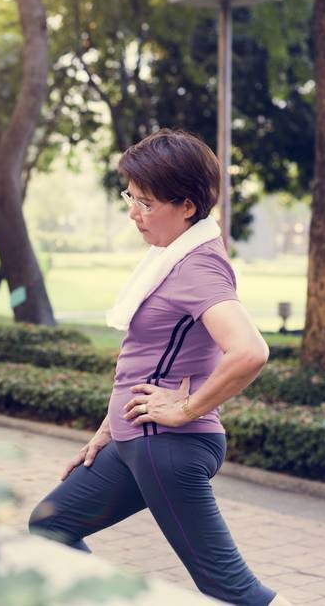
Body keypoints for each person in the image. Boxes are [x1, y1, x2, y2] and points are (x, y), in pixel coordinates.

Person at [28, 130, 288, 605]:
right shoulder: (169, 258)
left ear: (186, 206)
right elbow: (145, 360)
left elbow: (250, 351)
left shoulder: (197, 268)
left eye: (146, 203)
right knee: (51, 524)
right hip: (135, 441)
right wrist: (107, 428)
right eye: (132, 197)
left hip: (168, 448)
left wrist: (186, 408)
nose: (133, 212)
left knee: (231, 589)